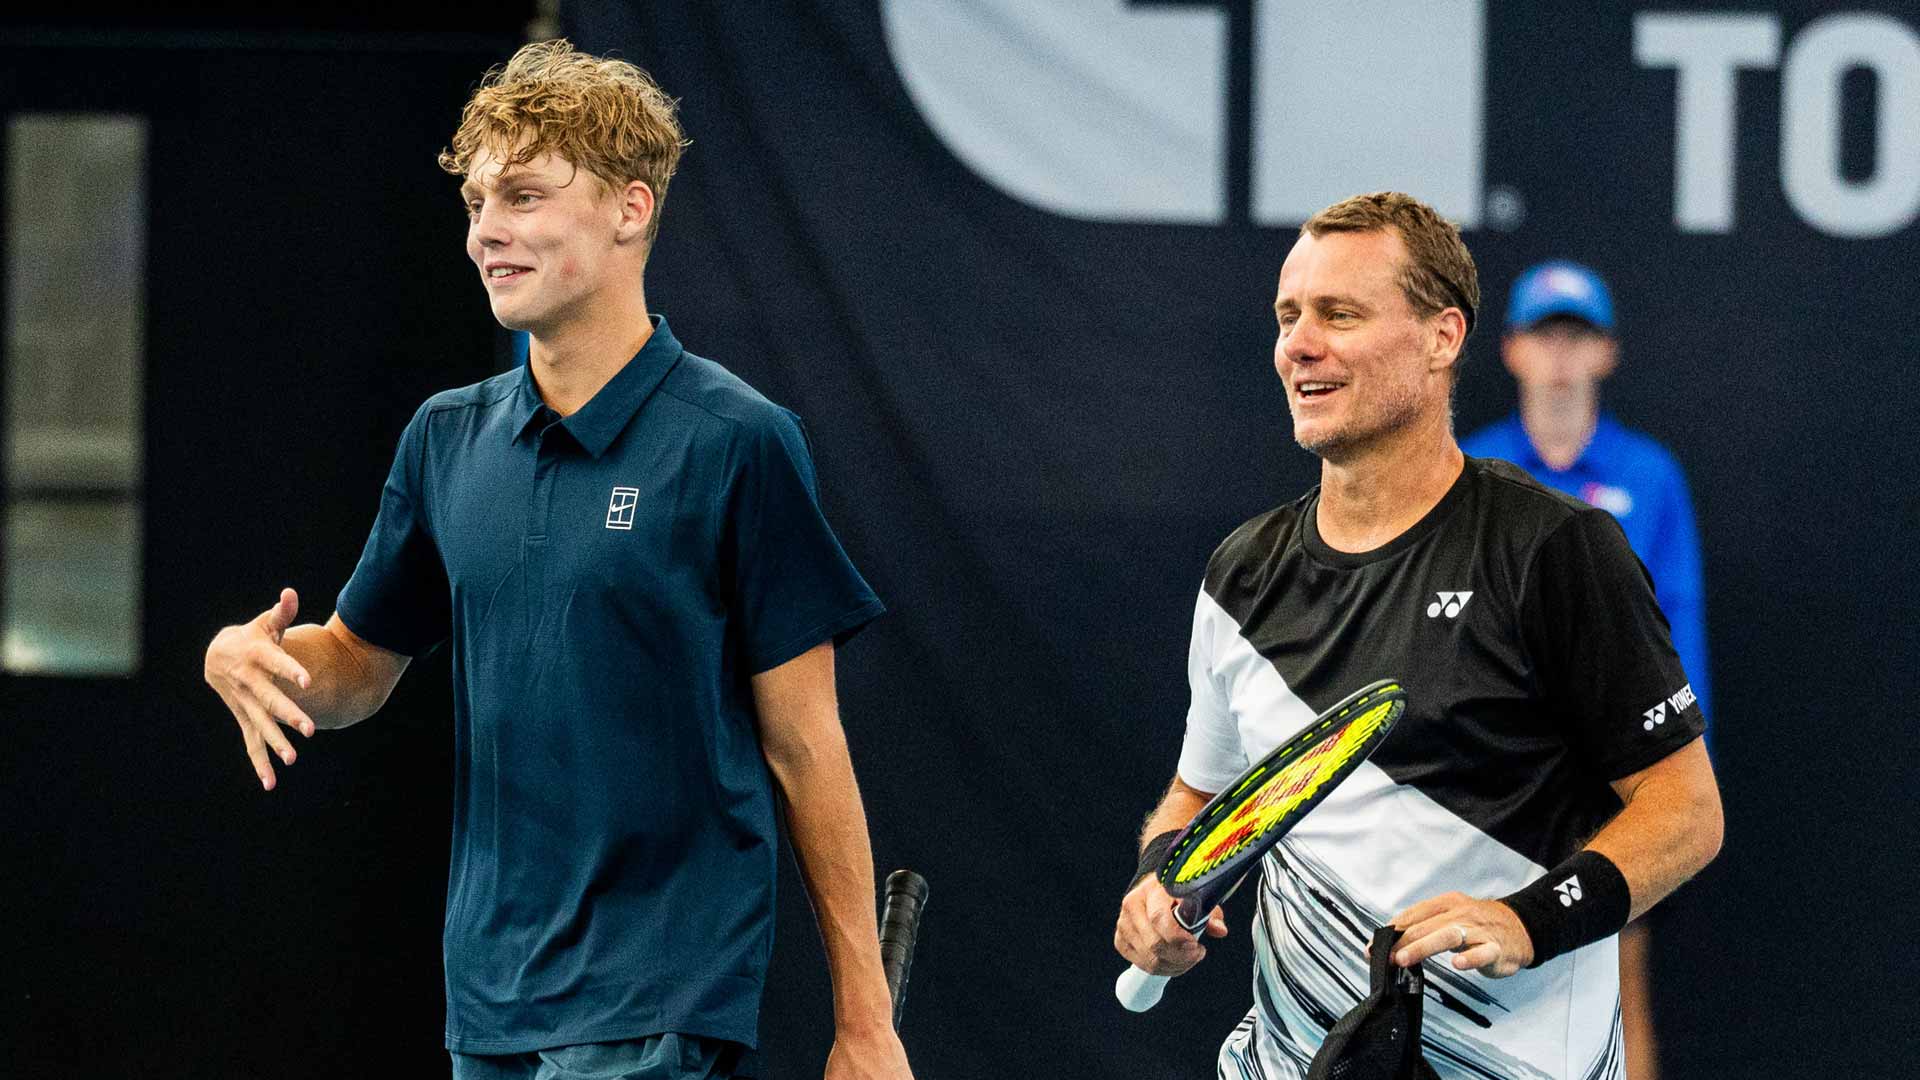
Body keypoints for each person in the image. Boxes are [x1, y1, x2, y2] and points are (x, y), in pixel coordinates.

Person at [203, 41, 913, 1080]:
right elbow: (359, 661)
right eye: (478, 203)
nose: (487, 230)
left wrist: (865, 1021)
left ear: (631, 210)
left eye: (525, 197)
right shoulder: (445, 438)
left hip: (659, 999)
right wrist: (257, 661)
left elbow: (806, 746)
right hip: (489, 1003)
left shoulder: (736, 443)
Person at [1112, 192, 1722, 1079]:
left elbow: (1687, 811)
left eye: (1340, 314)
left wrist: (1528, 919)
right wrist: (1158, 884)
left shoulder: (1554, 549)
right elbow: (1194, 797)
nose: (1300, 344)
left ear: (1443, 338)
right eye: (1289, 316)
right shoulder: (1240, 573)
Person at [1461, 261, 1712, 1080]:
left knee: (1616, 983)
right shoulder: (1469, 467)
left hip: (1616, 772)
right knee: (1475, 993)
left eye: (1577, 336)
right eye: (1545, 334)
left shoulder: (1651, 477)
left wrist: (1671, 772)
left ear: (1605, 352)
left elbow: (1680, 625)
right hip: (1502, 775)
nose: (1560, 354)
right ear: (1510, 351)